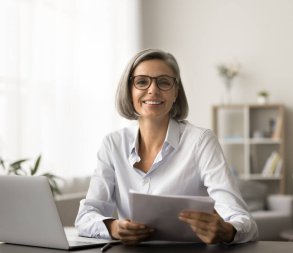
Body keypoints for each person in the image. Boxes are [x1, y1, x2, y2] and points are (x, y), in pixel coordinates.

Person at [75, 49, 258, 245]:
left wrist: (228, 231)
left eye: (163, 82)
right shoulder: (112, 144)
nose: (153, 90)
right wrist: (114, 228)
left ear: (176, 92)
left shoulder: (201, 141)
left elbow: (243, 221)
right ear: (130, 90)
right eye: (142, 81)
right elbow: (86, 216)